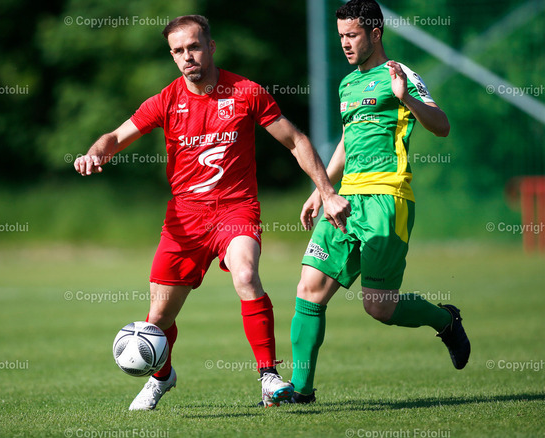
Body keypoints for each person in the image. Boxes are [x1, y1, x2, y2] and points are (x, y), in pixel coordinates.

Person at [74, 15, 349, 410]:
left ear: (211, 46)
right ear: (172, 56)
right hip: (184, 220)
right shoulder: (166, 101)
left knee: (246, 275)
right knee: (158, 319)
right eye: (178, 51)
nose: (187, 56)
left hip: (236, 209)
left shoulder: (246, 92)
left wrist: (327, 191)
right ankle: (161, 377)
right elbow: (116, 137)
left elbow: (295, 140)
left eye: (194, 47)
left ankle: (268, 377)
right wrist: (95, 153)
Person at [287, 0, 471, 404]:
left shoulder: (399, 74)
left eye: (352, 35)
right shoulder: (347, 84)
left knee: (379, 308)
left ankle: (445, 320)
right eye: (340, 36)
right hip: (344, 202)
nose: (345, 43)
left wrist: (407, 98)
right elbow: (347, 142)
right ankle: (301, 391)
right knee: (309, 288)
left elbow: (441, 125)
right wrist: (321, 190)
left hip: (387, 200)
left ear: (375, 33)